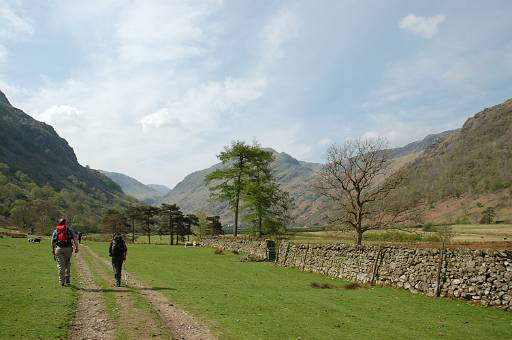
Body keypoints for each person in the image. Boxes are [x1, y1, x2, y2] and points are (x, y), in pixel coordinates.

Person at [51, 218, 79, 286]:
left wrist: (53, 250)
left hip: (59, 249)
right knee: (67, 263)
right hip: (68, 249)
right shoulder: (70, 230)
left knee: (61, 265)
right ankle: (67, 278)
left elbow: (52, 241)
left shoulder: (56, 231)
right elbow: (75, 239)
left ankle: (61, 281)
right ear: (65, 223)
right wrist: (76, 247)